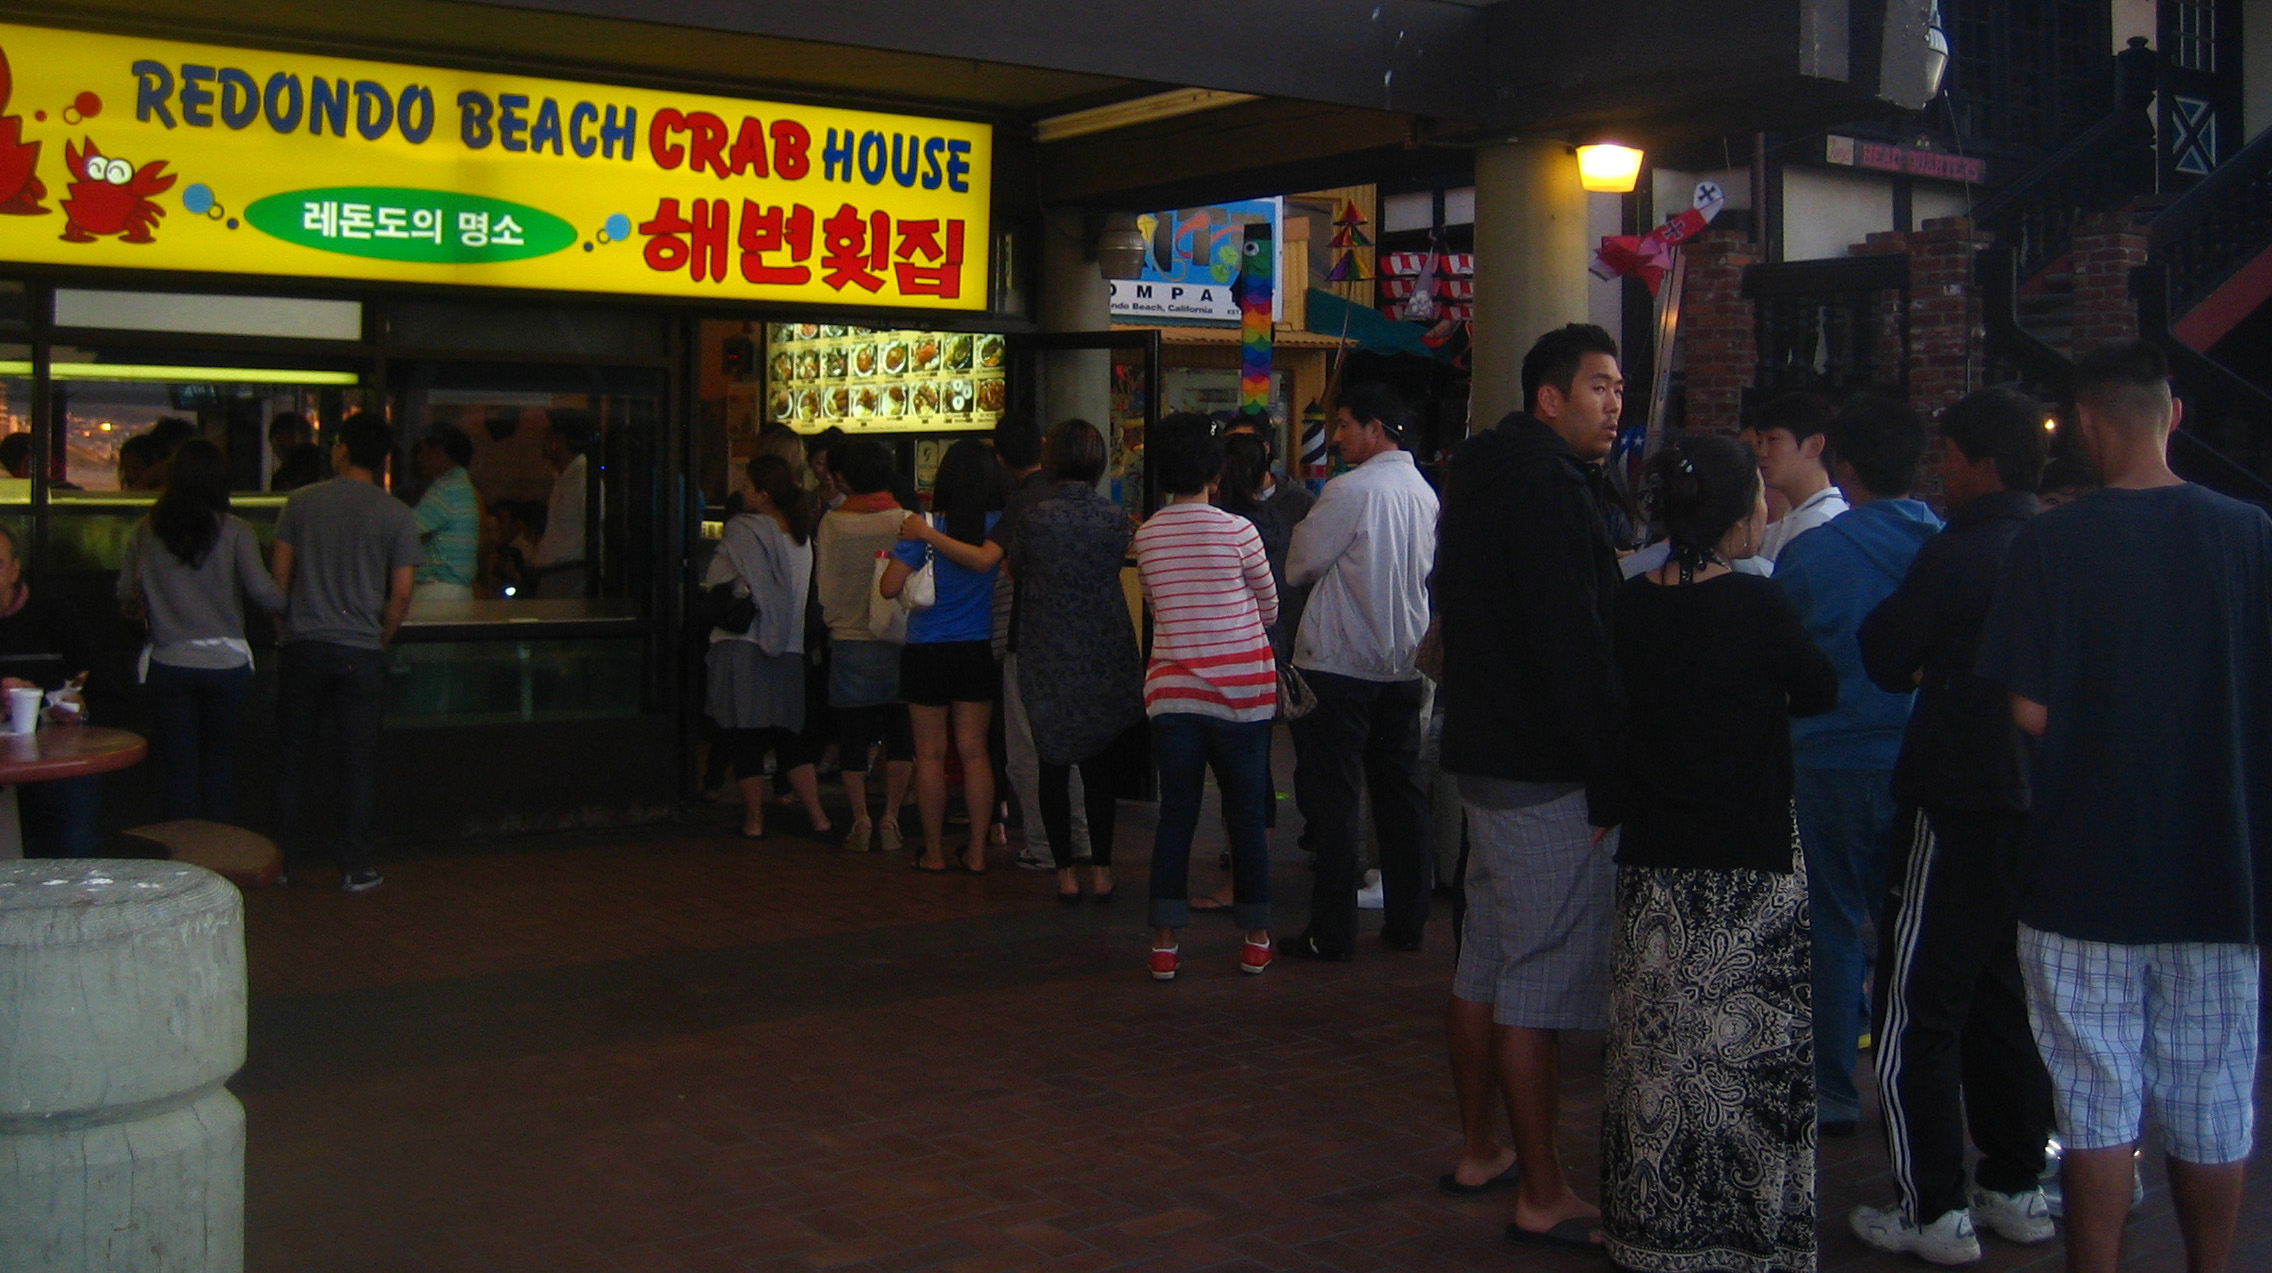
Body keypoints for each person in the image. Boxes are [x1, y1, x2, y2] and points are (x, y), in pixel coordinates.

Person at [1978, 341, 2270, 1273]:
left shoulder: (2050, 543)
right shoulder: (2252, 535)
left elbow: (2028, 705)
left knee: (2095, 1100)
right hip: (2220, 863)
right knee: (2213, 1094)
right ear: (2172, 414)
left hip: (2082, 864)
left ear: (2089, 424)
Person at [1601, 432, 1837, 1273]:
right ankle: (1750, 1231)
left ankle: (1652, 1226)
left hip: (1656, 861)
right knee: (1750, 1057)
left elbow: (1614, 721)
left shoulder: (1632, 604)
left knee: (1658, 1054)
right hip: (1751, 863)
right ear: (1744, 512)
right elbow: (1820, 686)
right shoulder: (1758, 604)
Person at [1847, 387, 2058, 1263]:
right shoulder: (2056, 542)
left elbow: (1886, 654)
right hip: (2036, 800)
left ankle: (1932, 1205)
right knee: (2007, 995)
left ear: (1980, 463)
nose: (1944, 472)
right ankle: (2012, 1181)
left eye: (1953, 458)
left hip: (1957, 795)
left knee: (1916, 1005)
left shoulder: (1960, 551)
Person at [1434, 323, 1627, 1248]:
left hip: (1478, 748)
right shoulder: (1551, 489)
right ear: (1549, 398)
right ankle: (1544, 1190)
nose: (1614, 403)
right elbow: (1572, 640)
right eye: (1598, 386)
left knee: (1488, 958)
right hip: (1542, 763)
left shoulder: (1474, 475)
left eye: (1619, 388)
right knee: (1539, 979)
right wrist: (1607, 772)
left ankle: (1482, 1148)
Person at [1775, 392, 1943, 1135]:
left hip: (1827, 762)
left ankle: (1833, 1087)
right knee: (1920, 931)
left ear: (1844, 464)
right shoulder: (1946, 544)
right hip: (1921, 758)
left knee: (1833, 926)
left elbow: (1778, 662)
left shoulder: (1811, 554)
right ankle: (1921, 1092)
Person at [1281, 381, 1439, 961]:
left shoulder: (1351, 490)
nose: (1339, 436)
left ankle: (1331, 931)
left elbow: (1301, 566)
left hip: (1340, 664)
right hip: (1402, 662)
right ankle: (1407, 921)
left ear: (1378, 429)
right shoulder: (1424, 493)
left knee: (1336, 799)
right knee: (1402, 797)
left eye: (1346, 424)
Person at [1131, 413, 1277, 980]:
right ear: (1216, 470)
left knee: (1177, 816)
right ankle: (1256, 937)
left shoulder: (1145, 535)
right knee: (1245, 816)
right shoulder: (1240, 532)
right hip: (1242, 694)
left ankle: (1165, 944)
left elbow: (1155, 602)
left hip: (1173, 694)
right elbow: (1269, 606)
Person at [270, 411, 422, 892]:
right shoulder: (397, 514)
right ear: (383, 460)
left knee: (293, 756)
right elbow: (401, 593)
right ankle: (355, 867)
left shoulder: (300, 503)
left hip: (305, 645)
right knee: (357, 760)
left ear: (340, 450)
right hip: (361, 649)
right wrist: (382, 637)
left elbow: (279, 581)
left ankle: (282, 862)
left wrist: (284, 628)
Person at [1007, 419, 1142, 903]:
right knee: (1098, 765)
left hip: (1047, 649)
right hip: (1103, 648)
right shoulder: (1114, 518)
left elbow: (1016, 569)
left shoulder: (1034, 519)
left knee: (1052, 763)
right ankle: (1102, 870)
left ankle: (1064, 873)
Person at [118, 439, 287, 822]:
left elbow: (124, 592)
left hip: (169, 660)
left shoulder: (147, 529)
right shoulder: (236, 531)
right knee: (218, 764)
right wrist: (294, 605)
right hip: (227, 664)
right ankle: (217, 856)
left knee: (179, 768)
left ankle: (181, 857)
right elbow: (262, 591)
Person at [885, 439, 1005, 873]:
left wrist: (916, 544)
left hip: (926, 650)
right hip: (975, 649)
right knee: (975, 752)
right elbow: (984, 565)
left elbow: (889, 588)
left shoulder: (924, 525)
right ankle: (975, 851)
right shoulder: (997, 524)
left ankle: (934, 852)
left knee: (930, 754)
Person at [704, 454, 828, 839]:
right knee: (788, 738)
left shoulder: (744, 533)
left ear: (762, 495)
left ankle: (754, 820)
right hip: (789, 646)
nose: (741, 491)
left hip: (744, 643)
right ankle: (819, 816)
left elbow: (718, 582)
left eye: (747, 485)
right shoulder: (801, 538)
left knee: (746, 736)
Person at [992, 418, 1090, 873]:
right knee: (1071, 749)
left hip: (1029, 638)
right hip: (1079, 642)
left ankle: (1044, 845)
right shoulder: (1102, 512)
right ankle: (1082, 839)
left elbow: (1009, 568)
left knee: (1028, 751)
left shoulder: (1025, 506)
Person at [813, 439, 913, 852]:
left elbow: (825, 589)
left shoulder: (833, 523)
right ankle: (891, 817)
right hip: (899, 639)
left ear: (844, 477)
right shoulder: (905, 520)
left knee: (852, 733)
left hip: (850, 640)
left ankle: (860, 820)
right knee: (899, 732)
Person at [0, 523, 96, 855]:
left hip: (50, 748)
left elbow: (91, 679)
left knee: (74, 793)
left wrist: (73, 705)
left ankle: (73, 895)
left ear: (14, 569)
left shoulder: (54, 615)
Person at [1754, 390, 1847, 565]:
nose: (1762, 452)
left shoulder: (1826, 523)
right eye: (1760, 442)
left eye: (1772, 440)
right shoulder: (1780, 525)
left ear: (1814, 445)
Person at [410, 423, 482, 603]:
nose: (419, 458)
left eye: (424, 451)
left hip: (439, 590)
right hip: (458, 590)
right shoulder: (463, 486)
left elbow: (407, 531)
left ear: (439, 452)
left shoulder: (446, 489)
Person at [531, 407, 593, 598]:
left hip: (569, 575)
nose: (543, 440)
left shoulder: (583, 477)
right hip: (557, 574)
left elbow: (595, 529)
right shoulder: (563, 478)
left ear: (559, 439)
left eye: (548, 434)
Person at [268, 411, 319, 491]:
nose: (282, 442)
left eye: (288, 436)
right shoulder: (280, 477)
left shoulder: (317, 471)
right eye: (277, 437)